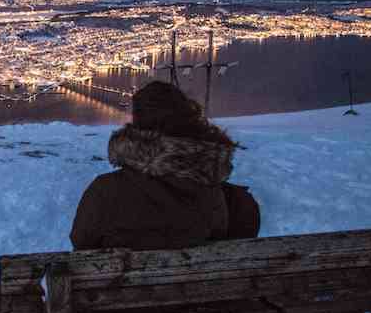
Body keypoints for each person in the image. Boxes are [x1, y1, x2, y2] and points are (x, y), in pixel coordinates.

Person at [70, 80, 260, 252]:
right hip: (203, 289)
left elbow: (82, 243)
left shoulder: (105, 191)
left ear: (137, 126)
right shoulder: (232, 203)